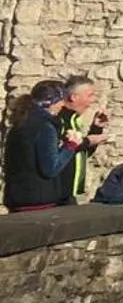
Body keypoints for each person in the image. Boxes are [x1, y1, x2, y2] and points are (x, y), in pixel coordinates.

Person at [4, 80, 83, 212]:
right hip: (38, 200)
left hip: (16, 198)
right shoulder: (44, 128)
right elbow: (50, 168)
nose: (62, 105)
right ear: (50, 102)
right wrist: (71, 146)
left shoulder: (19, 123)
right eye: (60, 100)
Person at [58, 75, 105, 203]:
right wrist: (89, 140)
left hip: (69, 194)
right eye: (90, 95)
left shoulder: (74, 120)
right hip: (56, 194)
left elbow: (80, 154)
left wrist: (96, 129)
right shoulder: (60, 120)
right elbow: (60, 151)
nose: (92, 100)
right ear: (74, 97)